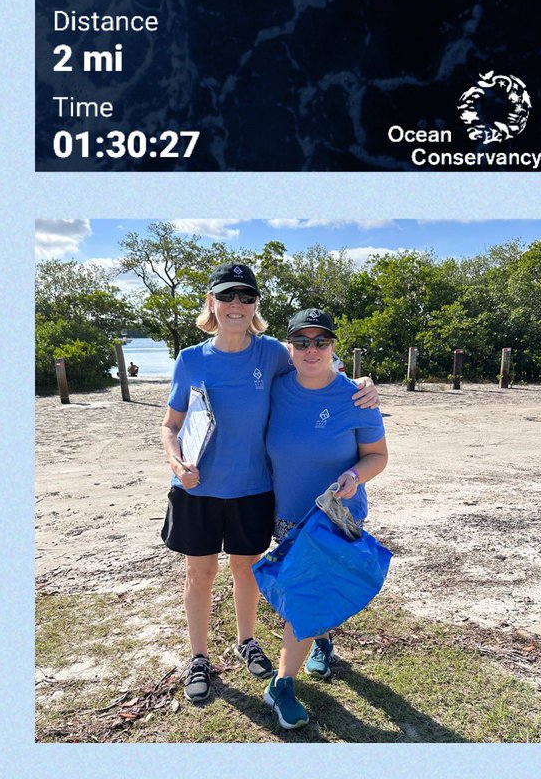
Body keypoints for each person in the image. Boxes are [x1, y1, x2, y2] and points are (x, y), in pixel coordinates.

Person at [160, 264, 378, 707]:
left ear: (256, 305)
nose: (236, 305)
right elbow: (170, 425)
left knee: (247, 571)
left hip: (254, 491)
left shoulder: (272, 353)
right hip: (196, 490)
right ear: (211, 302)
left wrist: (364, 384)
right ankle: (199, 658)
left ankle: (246, 642)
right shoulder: (190, 359)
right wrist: (176, 460)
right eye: (227, 296)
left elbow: (318, 360)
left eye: (246, 297)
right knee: (200, 575)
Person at [261, 308, 388, 730]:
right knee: (311, 592)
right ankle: (322, 640)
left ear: (334, 346)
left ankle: (281, 685)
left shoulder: (356, 396)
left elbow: (378, 456)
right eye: (301, 342)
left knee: (306, 595)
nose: (311, 350)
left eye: (321, 341)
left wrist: (354, 474)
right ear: (289, 348)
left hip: (337, 515)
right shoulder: (276, 389)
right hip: (289, 517)